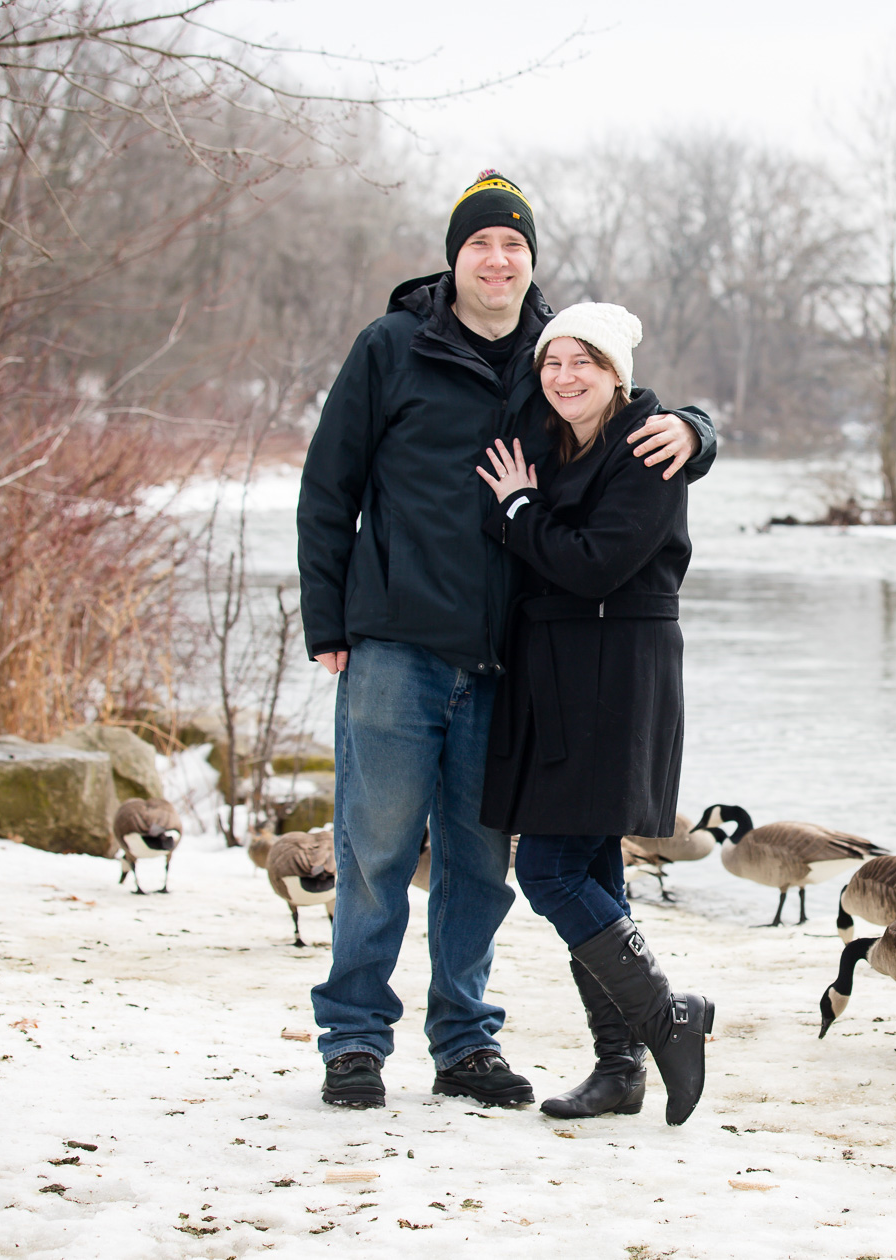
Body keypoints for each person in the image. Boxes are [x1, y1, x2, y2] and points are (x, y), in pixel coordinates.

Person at [296, 171, 716, 1111]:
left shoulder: (553, 352)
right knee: (375, 852)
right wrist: (328, 619)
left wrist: (698, 429)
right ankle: (356, 1042)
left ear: (532, 262)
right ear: (455, 257)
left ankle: (465, 1044)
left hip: (510, 664)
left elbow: (630, 419)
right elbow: (330, 487)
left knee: (481, 868)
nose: (498, 259)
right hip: (396, 644)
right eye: (481, 243)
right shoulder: (392, 348)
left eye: (515, 246)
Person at [474, 302, 713, 1126]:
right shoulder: (561, 442)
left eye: (585, 362)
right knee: (594, 872)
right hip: (559, 674)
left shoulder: (648, 447)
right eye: (552, 363)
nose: (565, 376)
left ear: (618, 374)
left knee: (548, 870)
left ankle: (668, 1015)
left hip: (615, 676)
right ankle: (620, 1068)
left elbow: (593, 565)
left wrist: (517, 514)